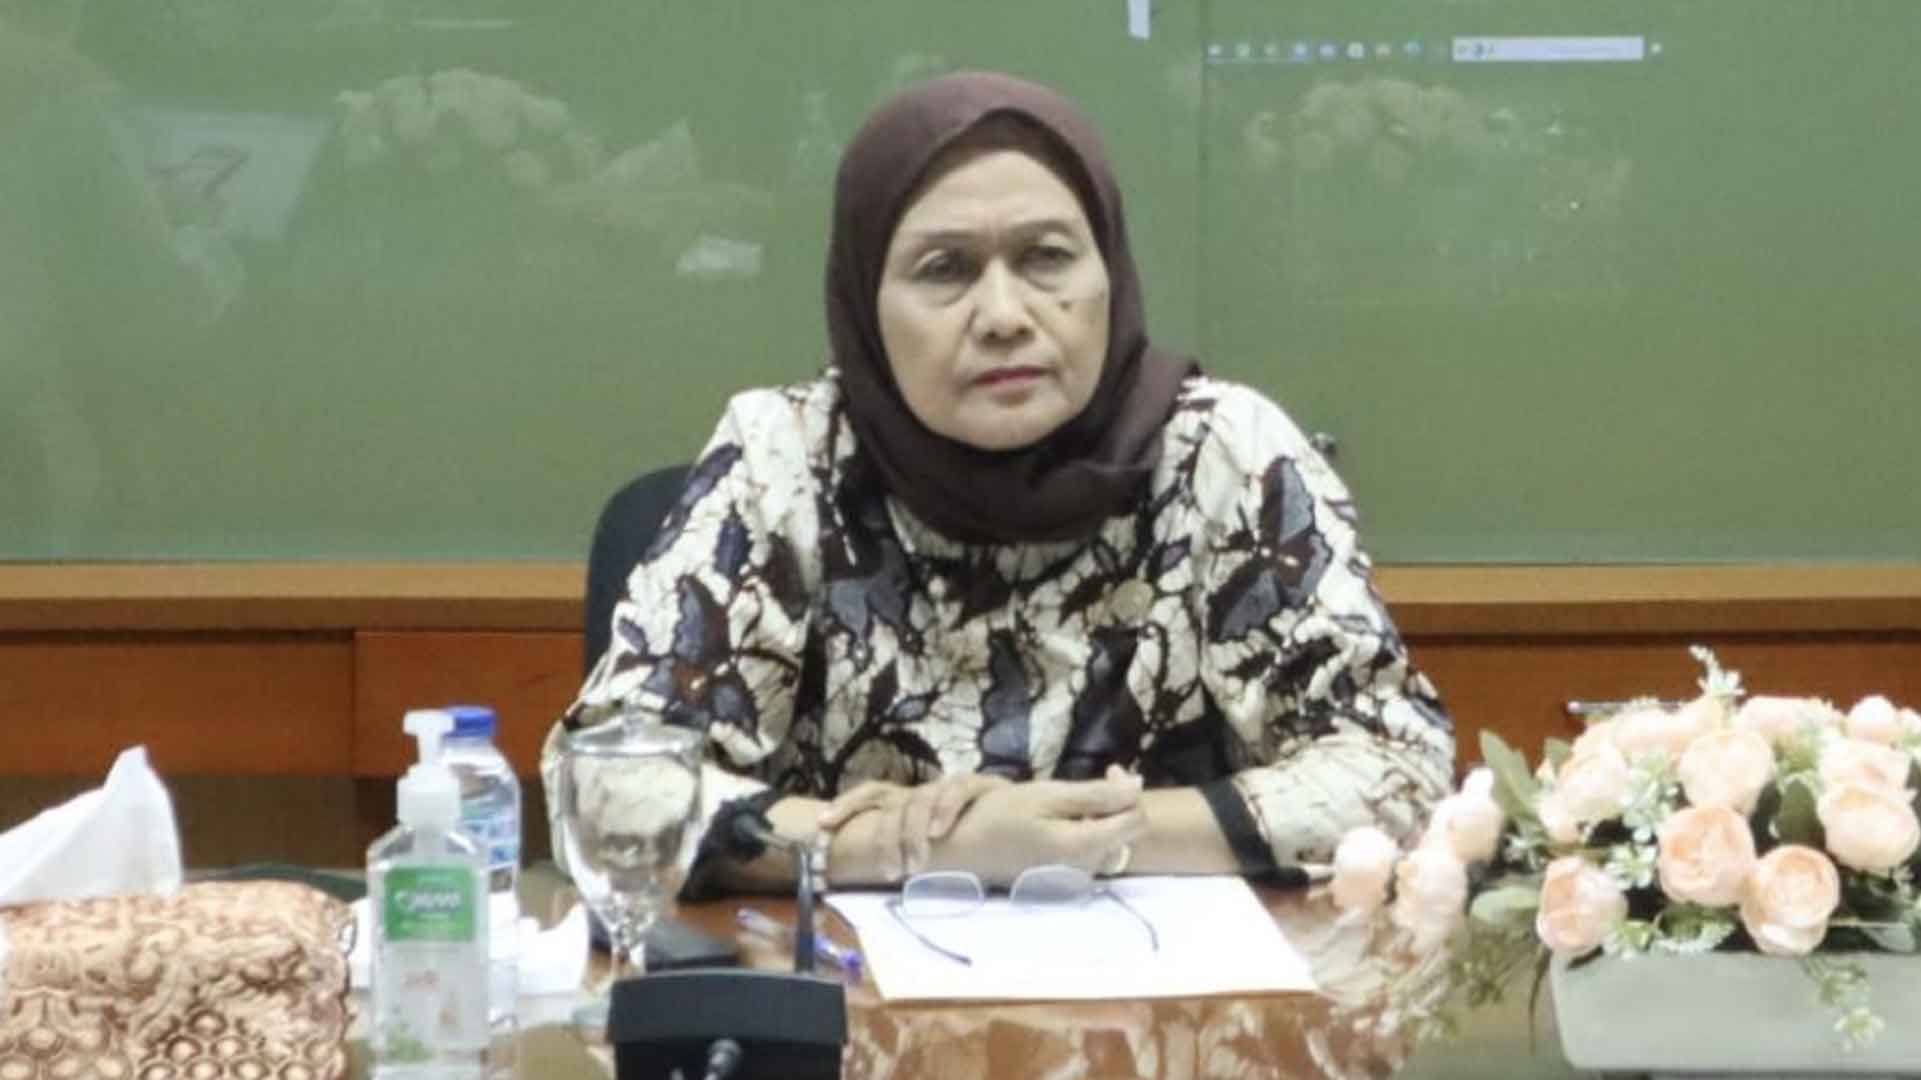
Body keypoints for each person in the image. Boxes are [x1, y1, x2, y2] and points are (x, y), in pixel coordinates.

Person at [542, 71, 1453, 896]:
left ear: (1109, 268)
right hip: (848, 994)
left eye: (1046, 257)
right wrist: (918, 847)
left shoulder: (1219, 450)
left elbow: (1399, 772)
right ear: (863, 300)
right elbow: (604, 785)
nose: (1005, 316)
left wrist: (1080, 835)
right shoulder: (787, 455)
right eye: (944, 270)